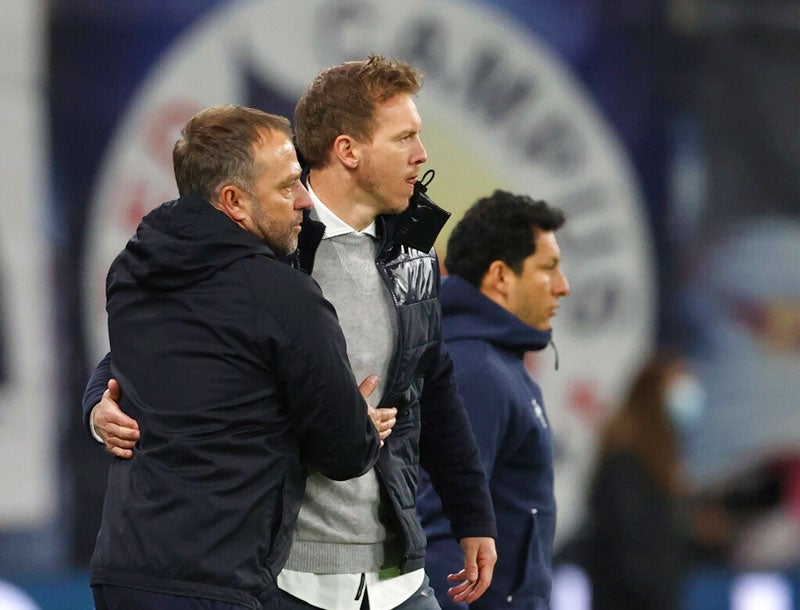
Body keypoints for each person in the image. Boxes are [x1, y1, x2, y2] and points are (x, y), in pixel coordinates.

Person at [83, 56, 498, 609]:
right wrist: (97, 401)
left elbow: (434, 384)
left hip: (397, 576)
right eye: (405, 138)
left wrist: (472, 515)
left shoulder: (412, 252)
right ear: (348, 150)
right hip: (287, 577)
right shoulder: (271, 244)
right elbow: (172, 341)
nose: (422, 155)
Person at [87, 104, 384, 610]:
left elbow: (135, 358)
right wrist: (358, 424)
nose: (305, 200)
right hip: (218, 582)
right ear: (234, 202)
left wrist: (96, 400)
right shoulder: (286, 298)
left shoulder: (132, 271)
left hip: (122, 572)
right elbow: (345, 452)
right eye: (287, 185)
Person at [416, 190, 570, 609]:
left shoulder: (501, 366)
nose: (563, 287)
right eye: (548, 269)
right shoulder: (476, 371)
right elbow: (443, 525)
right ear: (500, 276)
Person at [582, 353, 712, 610]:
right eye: (677, 385)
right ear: (653, 397)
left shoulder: (662, 464)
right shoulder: (623, 465)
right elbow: (629, 551)